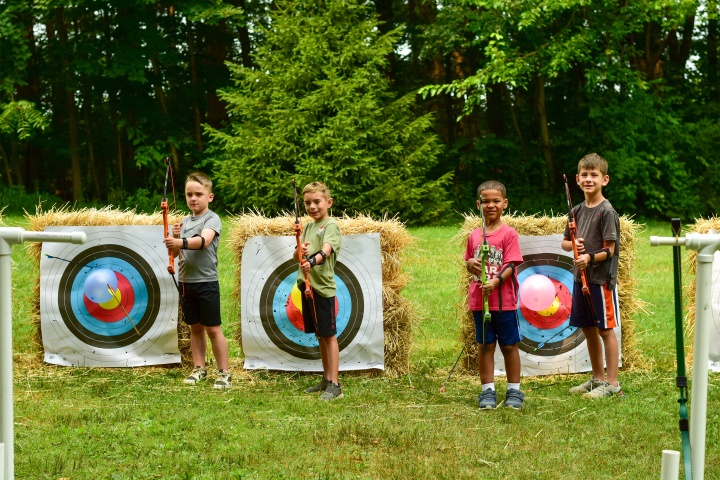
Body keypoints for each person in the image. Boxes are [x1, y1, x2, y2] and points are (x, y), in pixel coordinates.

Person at [562, 153, 622, 399]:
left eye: (594, 175)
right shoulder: (575, 211)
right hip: (580, 279)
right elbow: (566, 243)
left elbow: (610, 250)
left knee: (605, 330)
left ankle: (613, 383)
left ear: (604, 179)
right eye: (584, 175)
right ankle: (597, 378)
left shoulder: (607, 211)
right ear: (577, 179)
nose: (588, 179)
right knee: (588, 328)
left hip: (599, 280)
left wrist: (588, 258)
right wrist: (574, 244)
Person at [164, 172, 231, 389]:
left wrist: (179, 240)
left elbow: (203, 241)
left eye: (199, 194)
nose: (193, 198)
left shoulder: (212, 219)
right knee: (195, 327)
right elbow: (175, 254)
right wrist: (173, 244)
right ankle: (199, 368)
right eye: (189, 194)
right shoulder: (182, 222)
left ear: (209, 197)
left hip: (206, 281)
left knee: (213, 328)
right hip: (186, 281)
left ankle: (224, 372)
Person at [465, 180, 524, 409]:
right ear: (478, 204)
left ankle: (514, 391)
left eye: (496, 201)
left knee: (509, 346)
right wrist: (470, 263)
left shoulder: (509, 234)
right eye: (486, 201)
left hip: (504, 302)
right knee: (485, 346)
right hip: (480, 302)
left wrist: (496, 281)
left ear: (505, 203)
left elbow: (511, 264)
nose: (491, 205)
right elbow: (469, 261)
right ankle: (487, 391)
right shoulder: (474, 236)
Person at [295, 181, 343, 401]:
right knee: (320, 335)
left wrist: (312, 261)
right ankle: (326, 378)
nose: (312, 207)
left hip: (322, 287)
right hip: (308, 287)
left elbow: (326, 249)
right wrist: (301, 250)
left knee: (329, 335)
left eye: (317, 202)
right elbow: (300, 254)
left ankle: (335, 384)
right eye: (307, 203)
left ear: (329, 202)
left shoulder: (331, 225)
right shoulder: (307, 226)